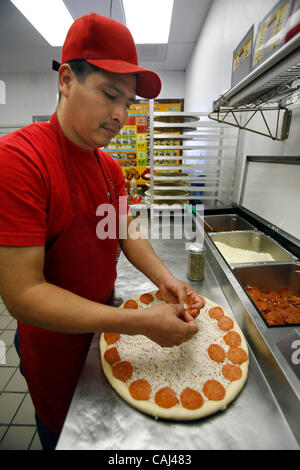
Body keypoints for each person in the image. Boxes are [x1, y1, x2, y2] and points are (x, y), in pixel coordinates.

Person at [0, 13, 202, 450]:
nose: (120, 115)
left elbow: (125, 230)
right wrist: (137, 322)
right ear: (67, 80)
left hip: (105, 332)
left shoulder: (108, 167)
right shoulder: (20, 160)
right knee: (67, 434)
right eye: (110, 94)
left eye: (127, 103)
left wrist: (165, 279)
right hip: (55, 347)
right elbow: (22, 293)